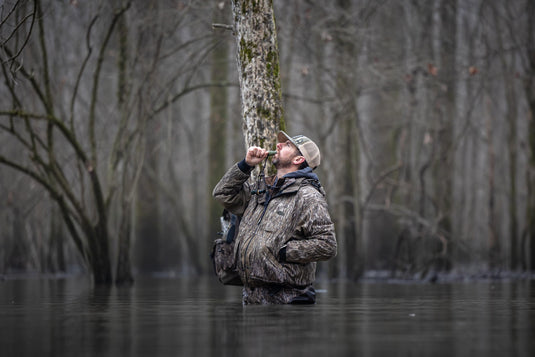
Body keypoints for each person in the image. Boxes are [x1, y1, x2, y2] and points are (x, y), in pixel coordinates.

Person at [213, 131, 337, 304]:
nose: (278, 145)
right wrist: (246, 165)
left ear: (298, 160)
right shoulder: (260, 190)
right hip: (252, 298)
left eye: (287, 145)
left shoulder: (308, 196)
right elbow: (222, 194)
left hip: (289, 301)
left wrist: (282, 252)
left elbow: (327, 245)